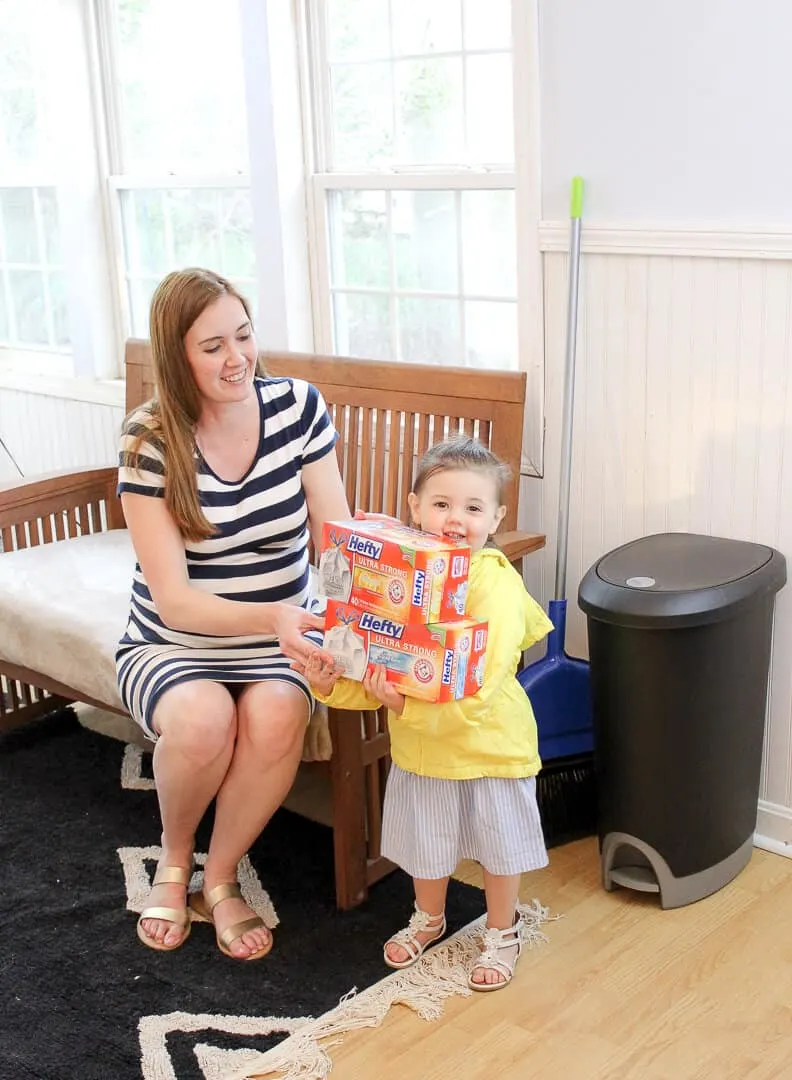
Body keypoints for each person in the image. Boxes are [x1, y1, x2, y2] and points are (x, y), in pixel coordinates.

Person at [116, 267, 350, 960]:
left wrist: (338, 629)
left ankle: (220, 877)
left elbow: (335, 539)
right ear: (177, 356)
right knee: (202, 716)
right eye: (212, 345)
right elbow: (175, 600)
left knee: (279, 712)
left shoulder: (297, 408)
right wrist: (277, 618)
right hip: (175, 638)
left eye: (243, 336)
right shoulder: (148, 438)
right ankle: (176, 856)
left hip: (283, 630)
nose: (236, 358)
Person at [296, 435, 553, 992]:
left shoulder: (493, 581)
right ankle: (429, 917)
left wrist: (402, 701)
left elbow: (479, 680)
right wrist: (330, 685)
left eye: (473, 508)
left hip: (488, 746)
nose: (455, 519)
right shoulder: (401, 573)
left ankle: (503, 931)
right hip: (422, 748)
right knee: (426, 842)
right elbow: (375, 666)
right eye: (440, 504)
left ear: (497, 517)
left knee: (497, 846)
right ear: (413, 507)